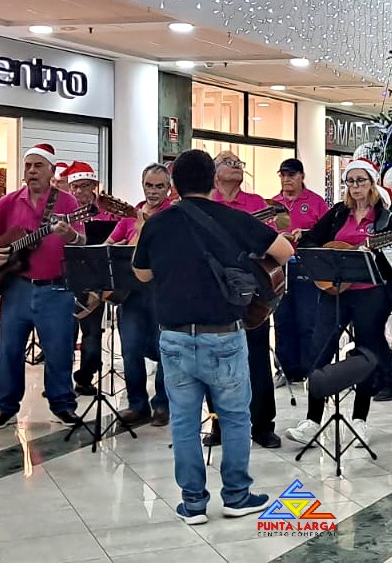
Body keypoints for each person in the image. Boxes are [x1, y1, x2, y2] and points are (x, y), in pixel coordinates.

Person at [133, 149, 293, 525]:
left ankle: (193, 504)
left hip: (174, 337)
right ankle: (237, 496)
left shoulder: (157, 223)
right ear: (212, 181)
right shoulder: (233, 218)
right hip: (223, 334)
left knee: (185, 422)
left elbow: (141, 275)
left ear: (173, 185)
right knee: (236, 418)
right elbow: (284, 251)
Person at [285, 159, 392, 446]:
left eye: (360, 180)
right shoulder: (338, 213)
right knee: (319, 350)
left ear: (372, 183)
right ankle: (312, 420)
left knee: (366, 353)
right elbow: (313, 241)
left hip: (370, 294)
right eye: (350, 181)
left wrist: (373, 253)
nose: (355, 187)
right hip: (335, 292)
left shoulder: (386, 221)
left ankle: (359, 419)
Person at [0, 143, 86, 429]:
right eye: (28, 166)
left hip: (56, 288)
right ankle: (4, 407)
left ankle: (63, 404)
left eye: (38, 166)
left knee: (58, 349)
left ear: (52, 171)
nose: (31, 171)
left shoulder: (67, 203)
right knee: (8, 349)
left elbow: (82, 242)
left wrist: (69, 233)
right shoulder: (10, 201)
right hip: (17, 287)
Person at [210, 150, 280, 448]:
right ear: (214, 172)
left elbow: (273, 246)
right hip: (213, 292)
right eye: (228, 161)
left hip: (252, 293)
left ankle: (262, 424)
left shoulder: (257, 204)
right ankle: (218, 425)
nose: (236, 165)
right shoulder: (206, 204)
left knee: (257, 357)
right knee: (217, 361)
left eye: (239, 162)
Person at [107, 163, 173, 426]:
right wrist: (125, 242)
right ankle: (137, 404)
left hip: (162, 293)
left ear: (169, 188)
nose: (154, 191)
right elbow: (110, 246)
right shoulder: (129, 215)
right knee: (130, 349)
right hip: (131, 294)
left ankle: (162, 405)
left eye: (159, 186)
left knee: (164, 350)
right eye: (149, 186)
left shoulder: (173, 215)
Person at [271, 158, 329, 386]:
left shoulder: (315, 202)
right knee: (282, 319)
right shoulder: (273, 203)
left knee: (307, 320)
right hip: (278, 268)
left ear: (302, 177)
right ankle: (285, 369)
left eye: (291, 175)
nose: (286, 179)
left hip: (305, 265)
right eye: (283, 175)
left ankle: (308, 369)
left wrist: (305, 233)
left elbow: (326, 234)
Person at [64, 161, 118, 397]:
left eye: (84, 186)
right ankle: (60, 381)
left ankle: (85, 377)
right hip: (65, 278)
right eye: (74, 187)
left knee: (93, 333)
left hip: (94, 282)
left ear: (95, 186)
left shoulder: (109, 214)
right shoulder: (65, 213)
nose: (78, 192)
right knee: (63, 334)